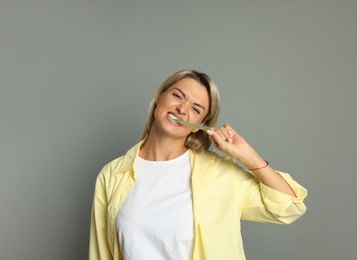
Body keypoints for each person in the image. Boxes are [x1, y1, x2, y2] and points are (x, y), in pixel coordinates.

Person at [89, 69, 307, 260]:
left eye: (195, 108)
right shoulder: (112, 174)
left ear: (198, 125)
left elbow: (289, 206)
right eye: (177, 96)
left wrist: (248, 156)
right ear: (159, 98)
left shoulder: (220, 175)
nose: (182, 109)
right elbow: (101, 254)